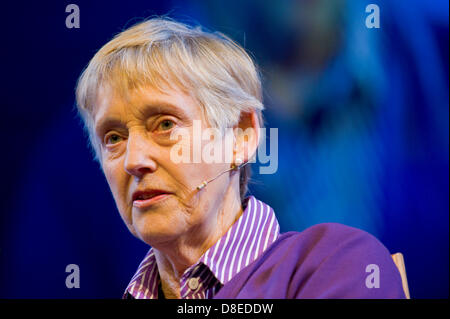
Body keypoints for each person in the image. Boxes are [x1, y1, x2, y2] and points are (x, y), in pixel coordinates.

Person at [75, 17, 406, 299]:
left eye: (164, 124)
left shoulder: (336, 263)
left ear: (241, 136)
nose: (134, 161)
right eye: (114, 138)